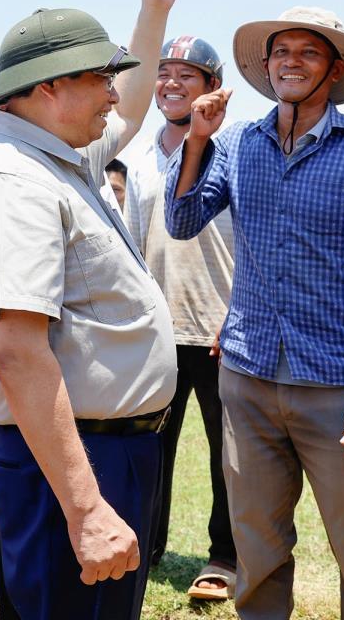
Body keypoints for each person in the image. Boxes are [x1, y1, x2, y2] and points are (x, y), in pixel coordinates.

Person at [0, 0, 179, 619]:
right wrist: (85, 509)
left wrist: (153, 12)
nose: (112, 92)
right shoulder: (15, 182)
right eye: (100, 77)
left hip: (100, 449)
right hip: (74, 461)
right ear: (48, 88)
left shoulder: (58, 157)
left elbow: (129, 109)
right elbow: (17, 352)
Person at [165, 6, 344, 620]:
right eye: (281, 52)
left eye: (308, 52)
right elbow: (182, 220)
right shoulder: (236, 143)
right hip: (247, 375)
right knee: (256, 542)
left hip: (336, 383)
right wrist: (196, 139)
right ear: (266, 65)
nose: (291, 63)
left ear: (334, 70)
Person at [122, 34, 237, 600]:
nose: (171, 83)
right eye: (163, 72)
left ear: (212, 87)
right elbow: (130, 245)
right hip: (156, 328)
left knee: (228, 454)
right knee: (149, 447)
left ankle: (225, 557)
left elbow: (254, 245)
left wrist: (238, 315)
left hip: (221, 328)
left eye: (186, 75)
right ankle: (146, 546)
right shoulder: (138, 159)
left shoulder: (234, 153)